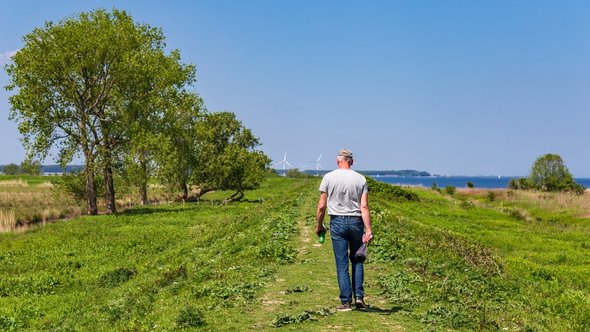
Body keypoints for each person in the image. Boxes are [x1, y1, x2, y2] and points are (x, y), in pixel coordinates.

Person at [316, 149, 373, 312]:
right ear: (352, 162)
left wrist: (319, 225)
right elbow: (364, 206)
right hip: (356, 222)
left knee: (342, 264)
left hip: (337, 221)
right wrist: (368, 229)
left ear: (337, 161)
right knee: (357, 260)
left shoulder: (328, 177)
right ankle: (359, 298)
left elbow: (321, 206)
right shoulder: (360, 178)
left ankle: (346, 302)